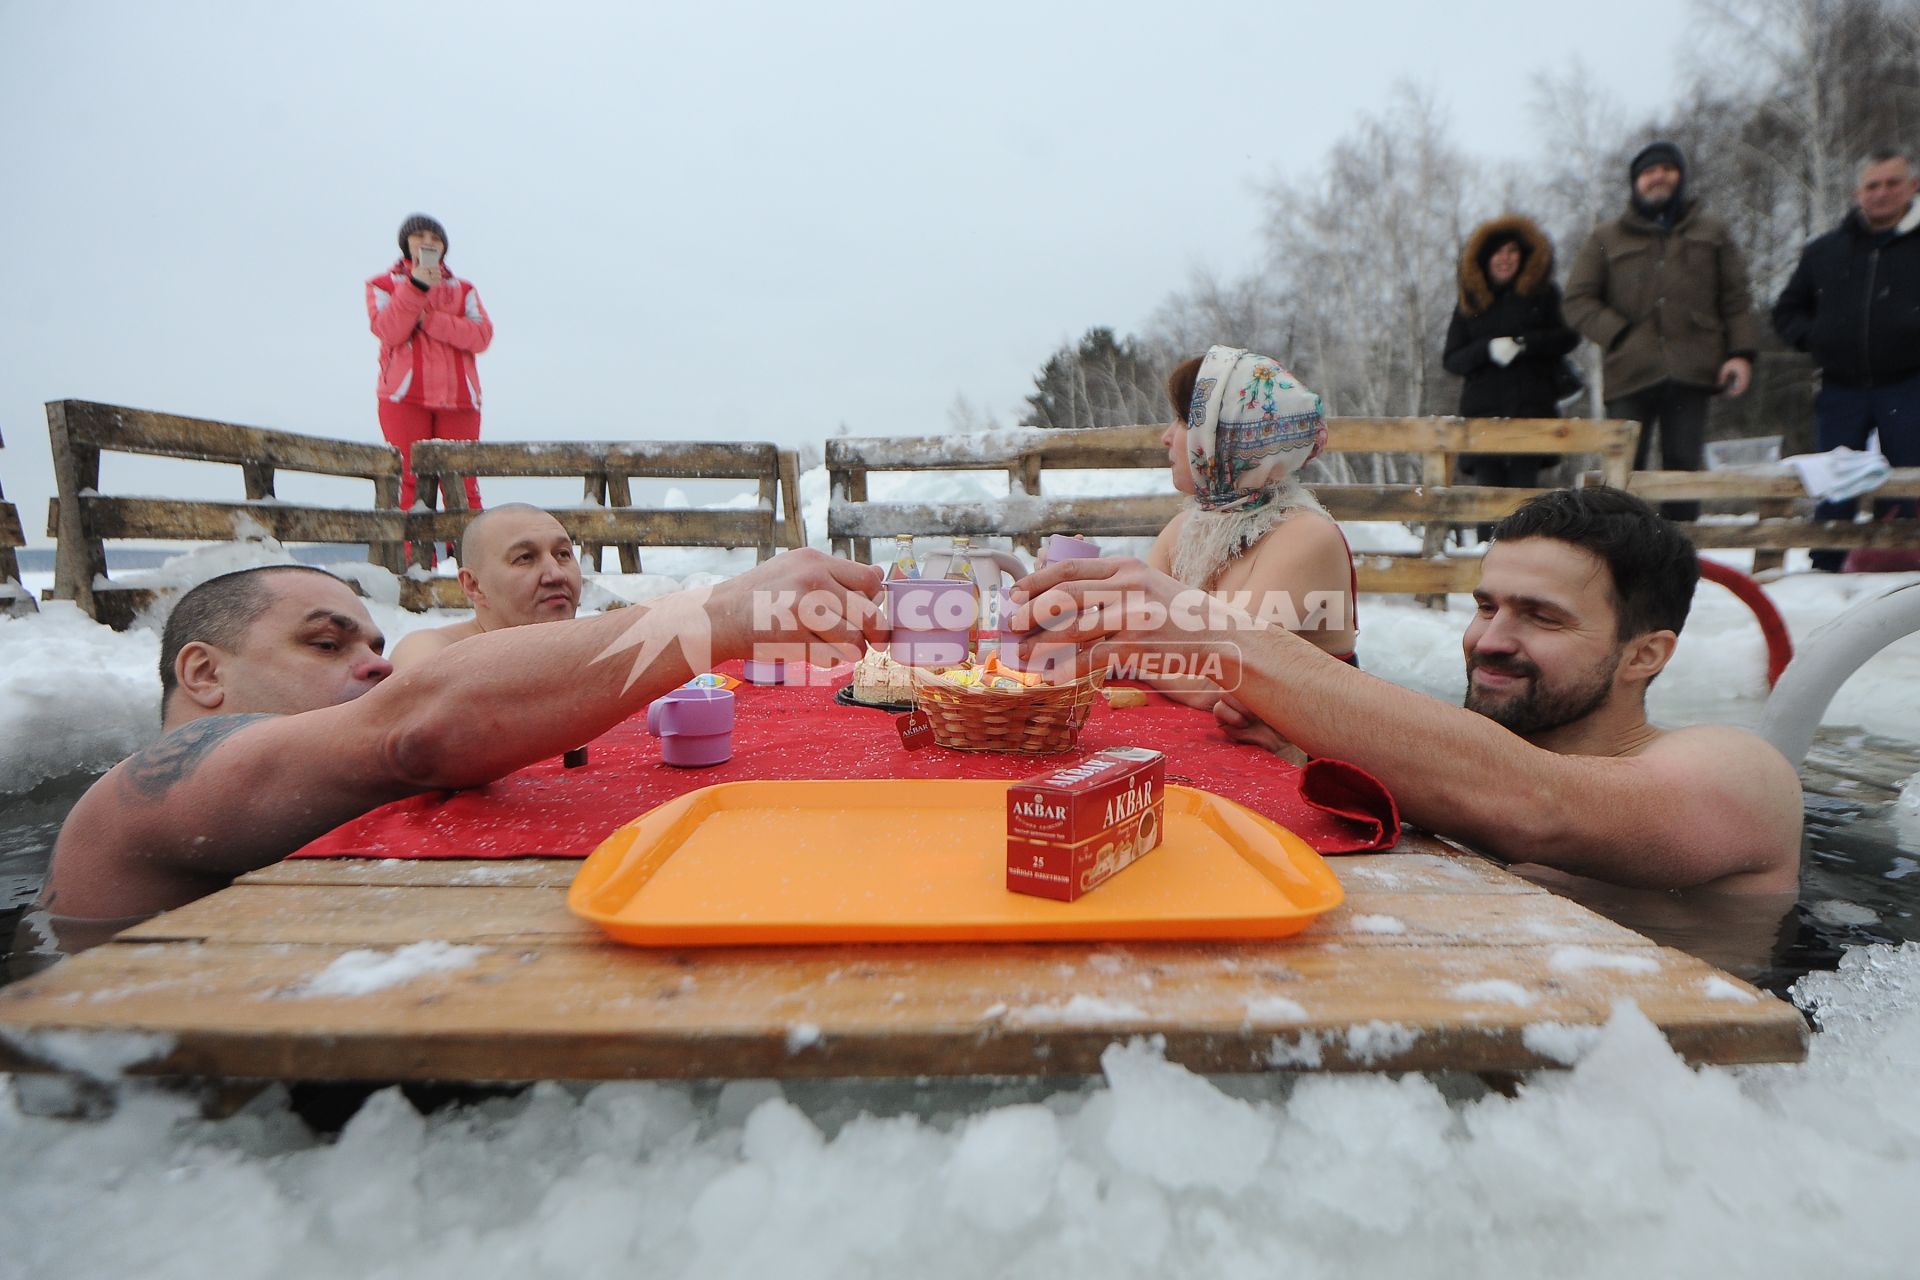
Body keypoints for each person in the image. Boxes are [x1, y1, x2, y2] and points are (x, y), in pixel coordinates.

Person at [35, 550, 883, 941]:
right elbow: (420, 729)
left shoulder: (303, 774)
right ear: (202, 673)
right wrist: (720, 615)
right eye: (327, 646)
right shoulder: (144, 792)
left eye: (375, 646)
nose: (373, 668)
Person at [1008, 486, 1802, 894]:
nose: (1490, 640)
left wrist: (1222, 638)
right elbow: (1485, 782)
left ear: (1646, 655)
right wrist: (1300, 734)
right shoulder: (1475, 763)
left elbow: (1543, 807)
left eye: (1541, 618)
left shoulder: (1740, 775)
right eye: (1486, 605)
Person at [1564, 142, 1761, 521]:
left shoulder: (1712, 231)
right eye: (1649, 171)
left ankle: (1680, 555)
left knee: (1684, 468)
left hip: (1693, 369)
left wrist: (1741, 354)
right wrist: (1619, 335)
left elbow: (1736, 298)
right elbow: (1577, 300)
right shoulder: (1606, 236)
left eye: (1667, 169)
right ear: (1636, 182)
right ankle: (1621, 552)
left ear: (1680, 176)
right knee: (1622, 472)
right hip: (1630, 373)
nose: (1658, 177)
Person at [1146, 345, 1358, 674]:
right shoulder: (1190, 524)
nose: (1166, 437)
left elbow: (1221, 676)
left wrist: (1126, 645)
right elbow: (1128, 631)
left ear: (1228, 436)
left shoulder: (1304, 536)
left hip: (1303, 726)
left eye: (1184, 420)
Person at [1771, 147, 1920, 570]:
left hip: (1910, 383)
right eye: (1873, 185)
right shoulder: (1825, 252)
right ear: (1858, 193)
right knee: (1834, 478)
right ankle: (1828, 563)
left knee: (1910, 477)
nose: (1882, 193)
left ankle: (1904, 563)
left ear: (1913, 186)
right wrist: (1815, 338)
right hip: (1842, 385)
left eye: (1892, 183)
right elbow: (1787, 310)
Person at [1442, 215, 1581, 497]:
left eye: (1512, 251)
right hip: (1482, 414)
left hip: (1531, 409)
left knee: (1523, 498)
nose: (1505, 259)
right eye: (1498, 252)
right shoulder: (1471, 300)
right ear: (1485, 257)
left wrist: (1524, 343)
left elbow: (1568, 336)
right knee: (1486, 500)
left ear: (1524, 256)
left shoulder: (1543, 294)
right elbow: (1452, 359)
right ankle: (1484, 543)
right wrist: (1487, 349)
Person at [367, 213, 493, 515]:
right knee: (407, 481)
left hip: (460, 399)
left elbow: (481, 336)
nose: (427, 242)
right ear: (405, 243)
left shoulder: (464, 290)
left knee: (463, 482)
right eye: (419, 236)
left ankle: (469, 555)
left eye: (435, 238)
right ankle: (411, 560)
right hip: (403, 397)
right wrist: (416, 287)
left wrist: (430, 320)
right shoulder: (382, 285)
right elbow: (389, 330)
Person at [388, 504, 583, 670]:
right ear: (474, 586)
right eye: (525, 558)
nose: (556, 575)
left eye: (563, 554)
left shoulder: (593, 648)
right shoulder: (430, 649)